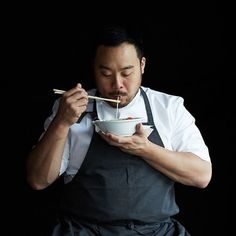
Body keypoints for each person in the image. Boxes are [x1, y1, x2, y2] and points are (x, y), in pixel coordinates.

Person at [26, 25, 212, 236]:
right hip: (84, 231)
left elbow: (202, 175)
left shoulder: (169, 107)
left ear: (142, 65)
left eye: (126, 73)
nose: (117, 85)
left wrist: (145, 149)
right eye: (105, 73)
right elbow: (37, 180)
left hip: (158, 232)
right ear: (94, 68)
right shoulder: (70, 108)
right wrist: (60, 123)